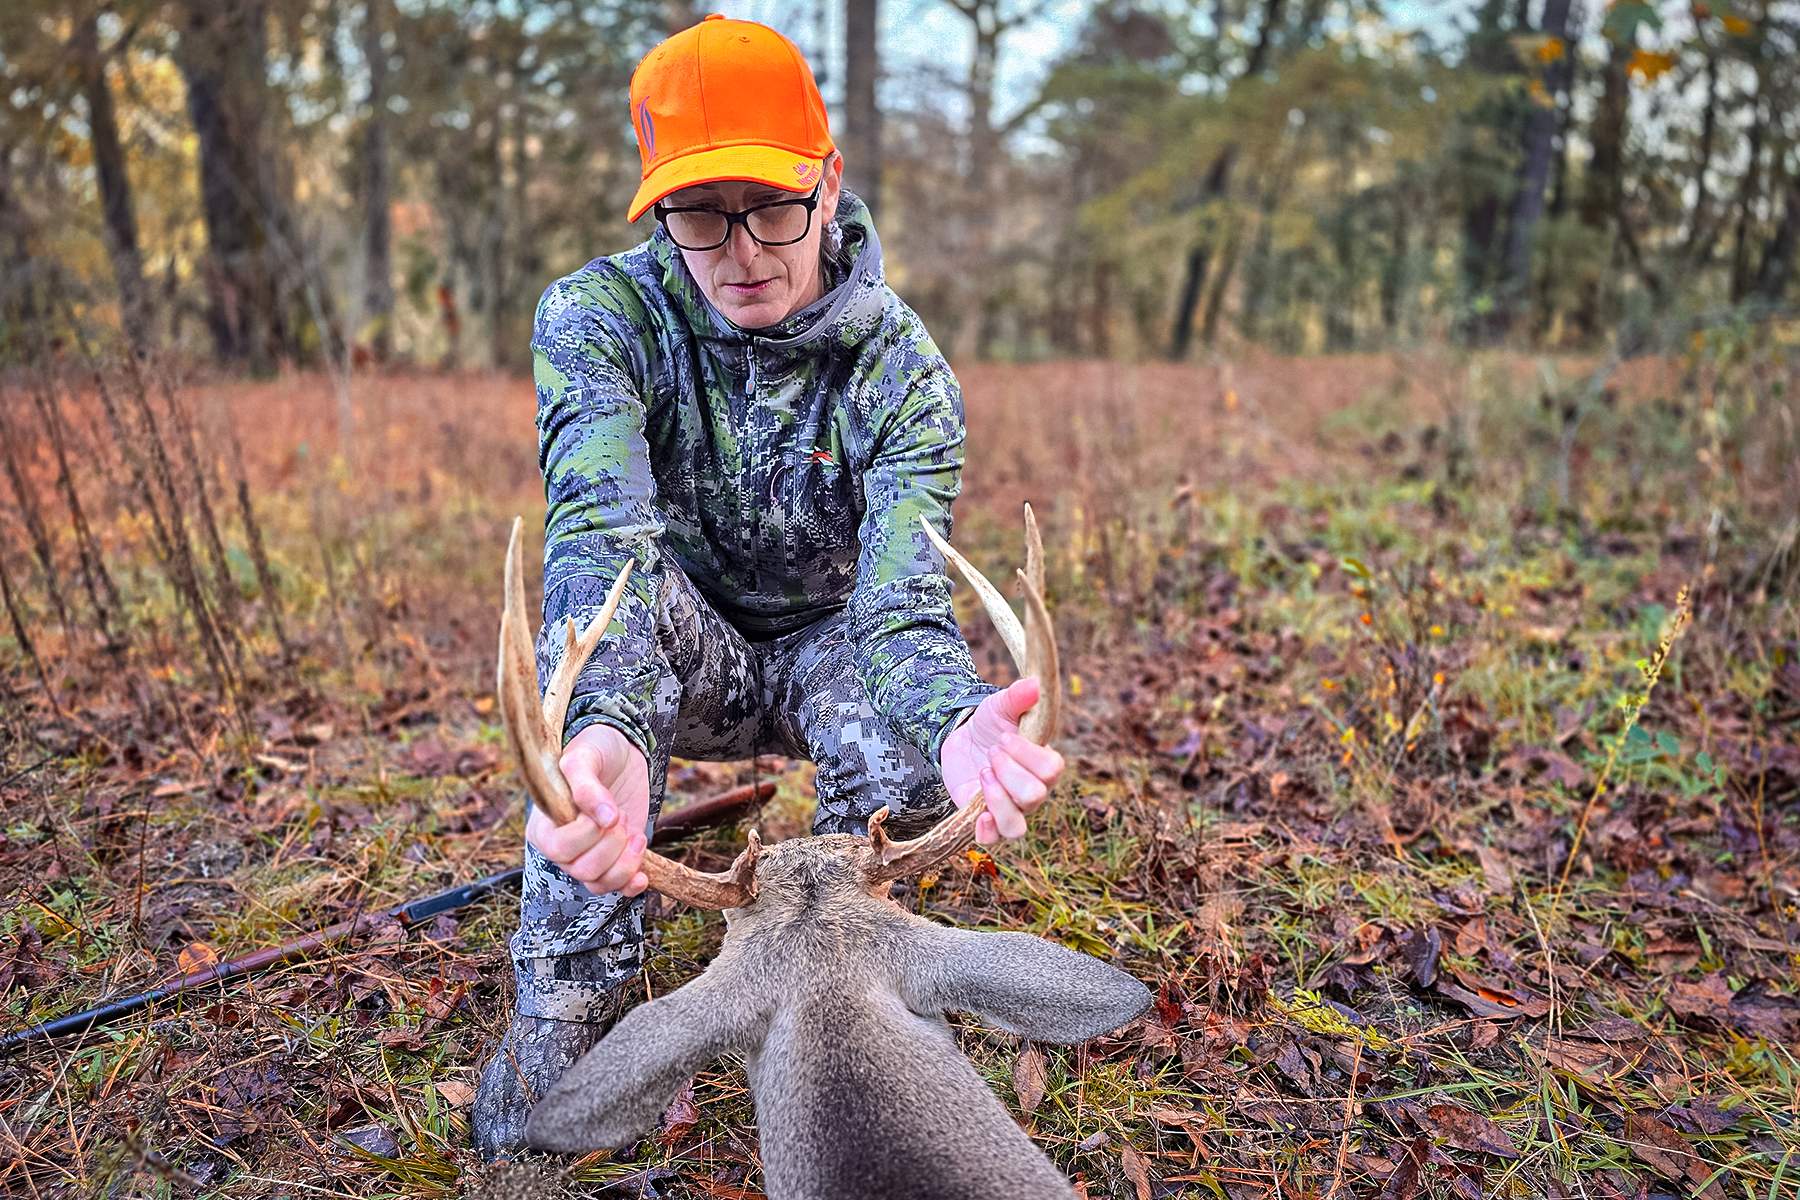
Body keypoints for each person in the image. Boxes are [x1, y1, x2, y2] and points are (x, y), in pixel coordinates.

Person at [472, 13, 1064, 1158]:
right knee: (588, 738)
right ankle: (576, 1009)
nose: (743, 249)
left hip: (828, 652)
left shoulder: (901, 370)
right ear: (655, 209)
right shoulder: (599, 319)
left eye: (774, 207)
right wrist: (603, 731)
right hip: (674, 645)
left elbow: (899, 602)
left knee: (904, 769)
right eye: (699, 213)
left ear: (829, 185)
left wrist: (953, 726)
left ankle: (839, 982)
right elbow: (606, 542)